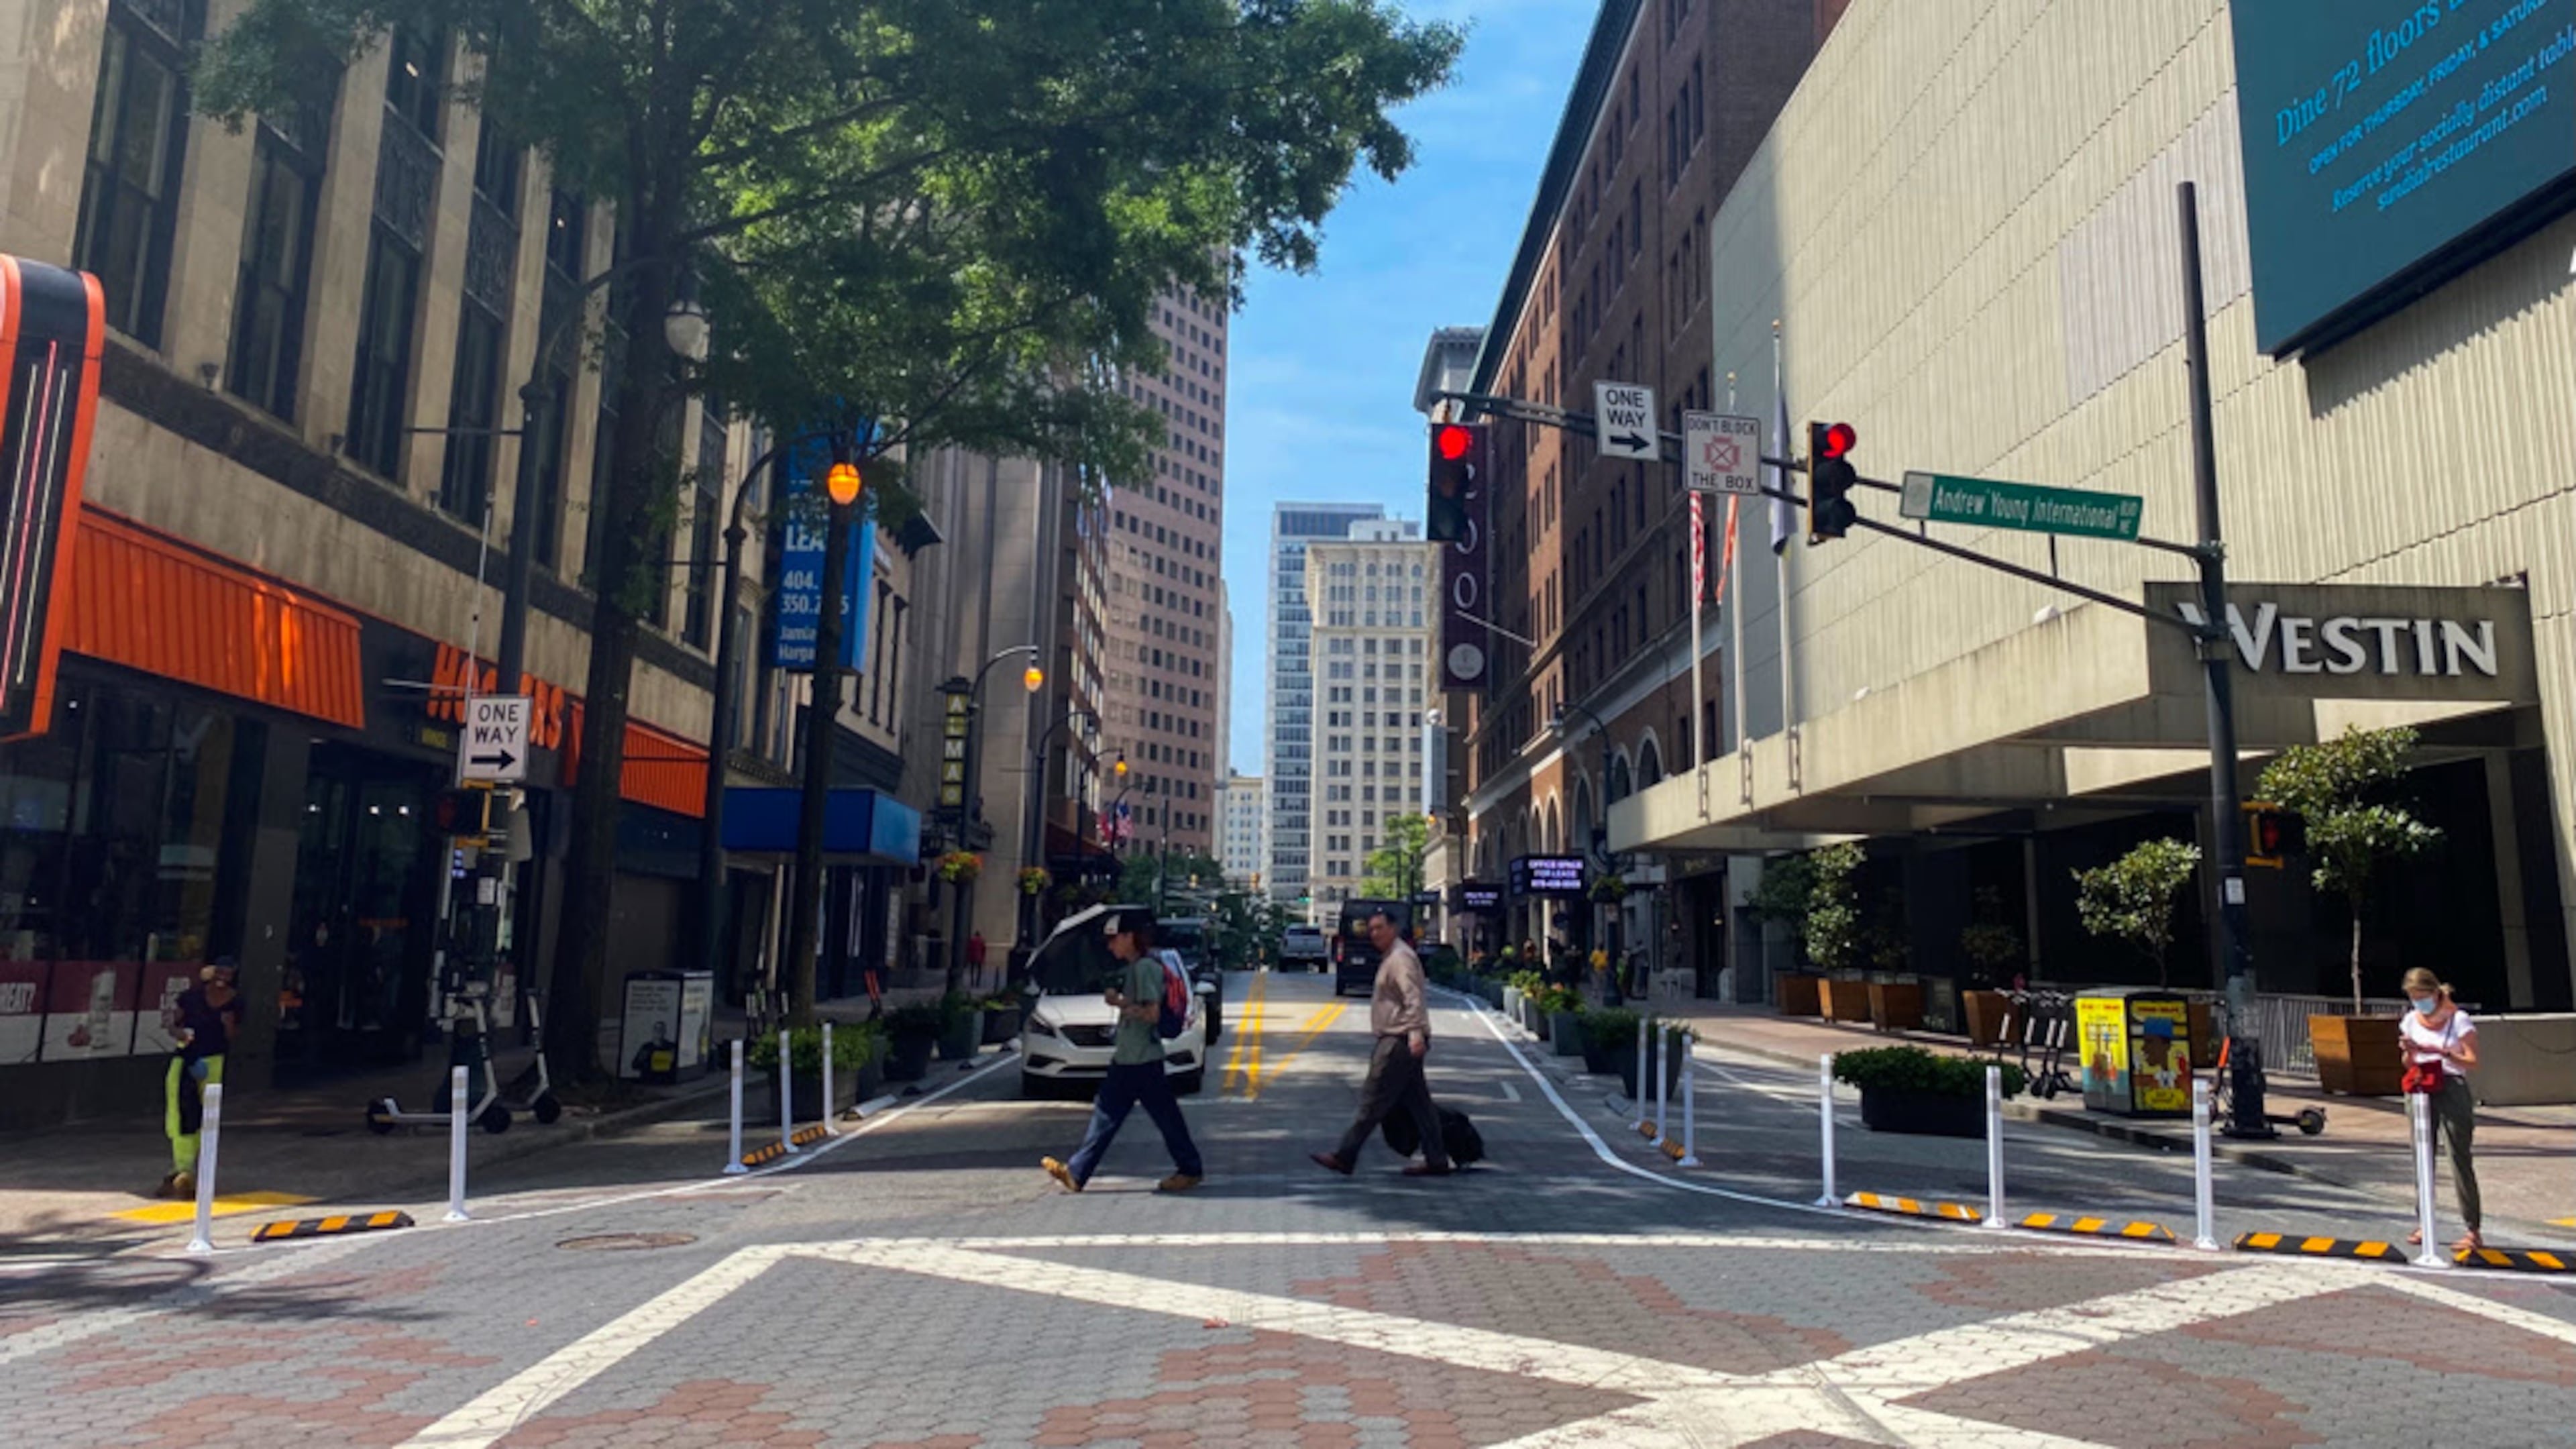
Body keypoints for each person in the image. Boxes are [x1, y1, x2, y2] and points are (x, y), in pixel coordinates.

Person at [1042, 910, 1203, 1193]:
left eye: (1114, 939)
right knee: (1113, 1115)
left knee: (1148, 1117)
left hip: (1141, 1060)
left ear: (1130, 938)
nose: (1110, 945)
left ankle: (1189, 1168)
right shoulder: (1137, 968)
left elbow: (1152, 1013)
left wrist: (1118, 1003)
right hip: (1131, 1058)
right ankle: (1077, 1173)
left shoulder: (1144, 968)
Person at [1312, 910, 1450, 1178]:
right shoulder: (1393, 957)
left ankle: (1345, 1156)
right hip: (1400, 1038)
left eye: (1379, 928)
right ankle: (1437, 1159)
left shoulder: (1400, 959)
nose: (1373, 934)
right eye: (1371, 929)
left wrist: (1415, 1033)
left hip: (1398, 1041)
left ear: (1393, 929)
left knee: (1373, 1100)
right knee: (1421, 1104)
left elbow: (1413, 998)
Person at [2400, 967, 2482, 1251]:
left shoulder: (2458, 1019)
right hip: (2421, 1086)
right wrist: (2410, 1051)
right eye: (2413, 997)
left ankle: (2472, 1227)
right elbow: (2408, 1063)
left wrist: (2443, 1052)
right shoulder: (2411, 1020)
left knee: (2458, 1155)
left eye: (2422, 996)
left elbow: (2471, 1061)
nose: (2418, 1002)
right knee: (2422, 1155)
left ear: (2435, 993)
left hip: (2451, 1085)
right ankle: (2425, 1222)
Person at [160, 961, 241, 1199]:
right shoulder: (191, 997)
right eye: (219, 972)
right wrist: (180, 1034)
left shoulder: (236, 1002)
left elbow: (234, 1035)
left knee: (206, 1114)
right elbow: (172, 1024)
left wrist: (229, 1025)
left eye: (228, 974)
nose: (222, 978)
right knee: (179, 1111)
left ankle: (193, 1168)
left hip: (213, 1061)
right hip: (185, 1058)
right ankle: (182, 1168)